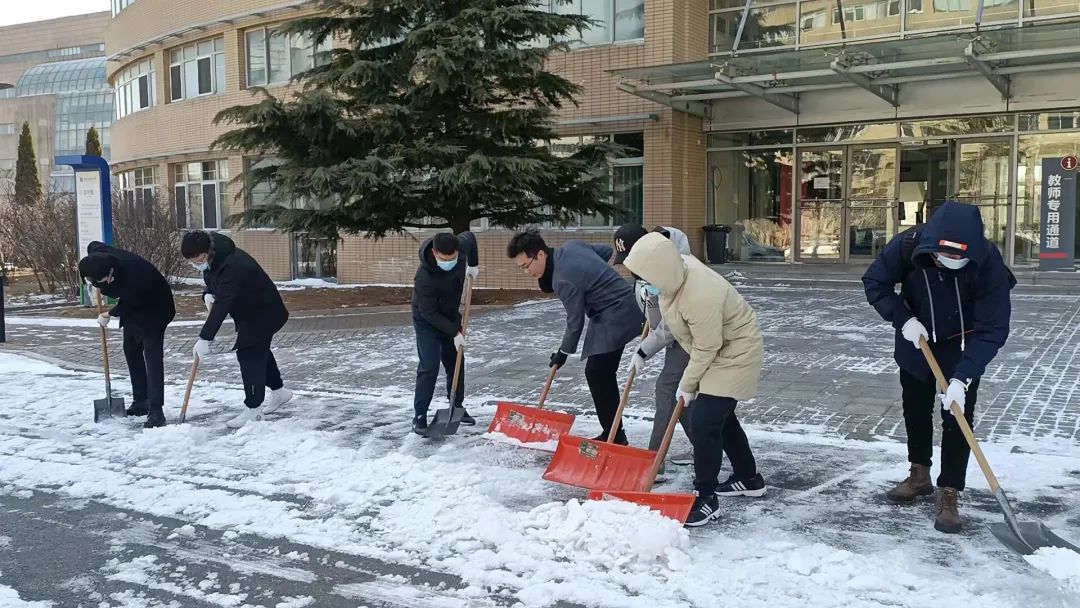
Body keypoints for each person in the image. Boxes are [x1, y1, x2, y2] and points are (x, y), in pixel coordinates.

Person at [863, 201, 1014, 533]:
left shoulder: (987, 262)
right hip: (916, 337)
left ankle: (949, 490)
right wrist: (902, 319)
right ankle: (919, 475)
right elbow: (875, 281)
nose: (951, 260)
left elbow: (993, 328)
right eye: (944, 255)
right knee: (915, 408)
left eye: (959, 257)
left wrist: (963, 377)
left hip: (962, 344)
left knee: (957, 417)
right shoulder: (909, 245)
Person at [624, 233, 766, 527]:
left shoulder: (700, 294)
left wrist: (686, 386)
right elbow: (673, 324)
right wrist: (644, 350)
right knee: (721, 419)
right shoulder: (673, 280)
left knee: (704, 421)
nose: (646, 285)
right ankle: (748, 477)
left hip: (736, 351)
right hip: (718, 349)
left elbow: (706, 347)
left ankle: (706, 498)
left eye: (647, 279)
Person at [508, 229, 643, 444]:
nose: (526, 271)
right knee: (600, 372)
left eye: (526, 265)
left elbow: (575, 321)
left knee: (597, 373)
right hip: (620, 306)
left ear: (541, 254)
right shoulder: (572, 246)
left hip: (616, 314)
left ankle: (614, 436)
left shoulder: (563, 280)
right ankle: (613, 432)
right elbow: (605, 251)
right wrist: (591, 274)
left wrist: (563, 353)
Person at [181, 231, 292, 428]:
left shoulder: (232, 264)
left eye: (197, 259)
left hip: (263, 311)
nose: (196, 264)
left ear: (206, 251)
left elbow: (223, 303)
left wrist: (205, 337)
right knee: (259, 351)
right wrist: (207, 293)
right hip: (250, 311)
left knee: (249, 353)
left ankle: (253, 410)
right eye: (192, 261)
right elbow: (213, 280)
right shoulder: (214, 257)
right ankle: (279, 392)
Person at [613, 224, 696, 480]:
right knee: (681, 399)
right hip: (677, 337)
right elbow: (656, 317)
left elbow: (671, 325)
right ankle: (704, 447)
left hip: (690, 337)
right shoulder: (645, 274)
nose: (629, 267)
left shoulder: (672, 270)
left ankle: (654, 461)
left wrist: (643, 351)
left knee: (666, 390)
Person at [79, 242, 175, 429]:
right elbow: (93, 245)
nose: (105, 284)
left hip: (156, 307)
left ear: (112, 272)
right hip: (133, 307)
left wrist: (109, 313)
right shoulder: (99, 257)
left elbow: (133, 300)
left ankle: (156, 411)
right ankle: (141, 401)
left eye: (106, 280)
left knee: (152, 358)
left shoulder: (136, 275)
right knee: (131, 349)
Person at [411, 231, 480, 435]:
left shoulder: (461, 246)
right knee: (429, 366)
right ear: (434, 253)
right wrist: (454, 333)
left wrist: (473, 265)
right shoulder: (424, 277)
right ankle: (420, 415)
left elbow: (471, 237)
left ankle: (456, 406)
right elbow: (429, 313)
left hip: (450, 315)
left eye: (453, 258)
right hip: (427, 321)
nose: (449, 262)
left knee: (456, 361)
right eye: (444, 259)